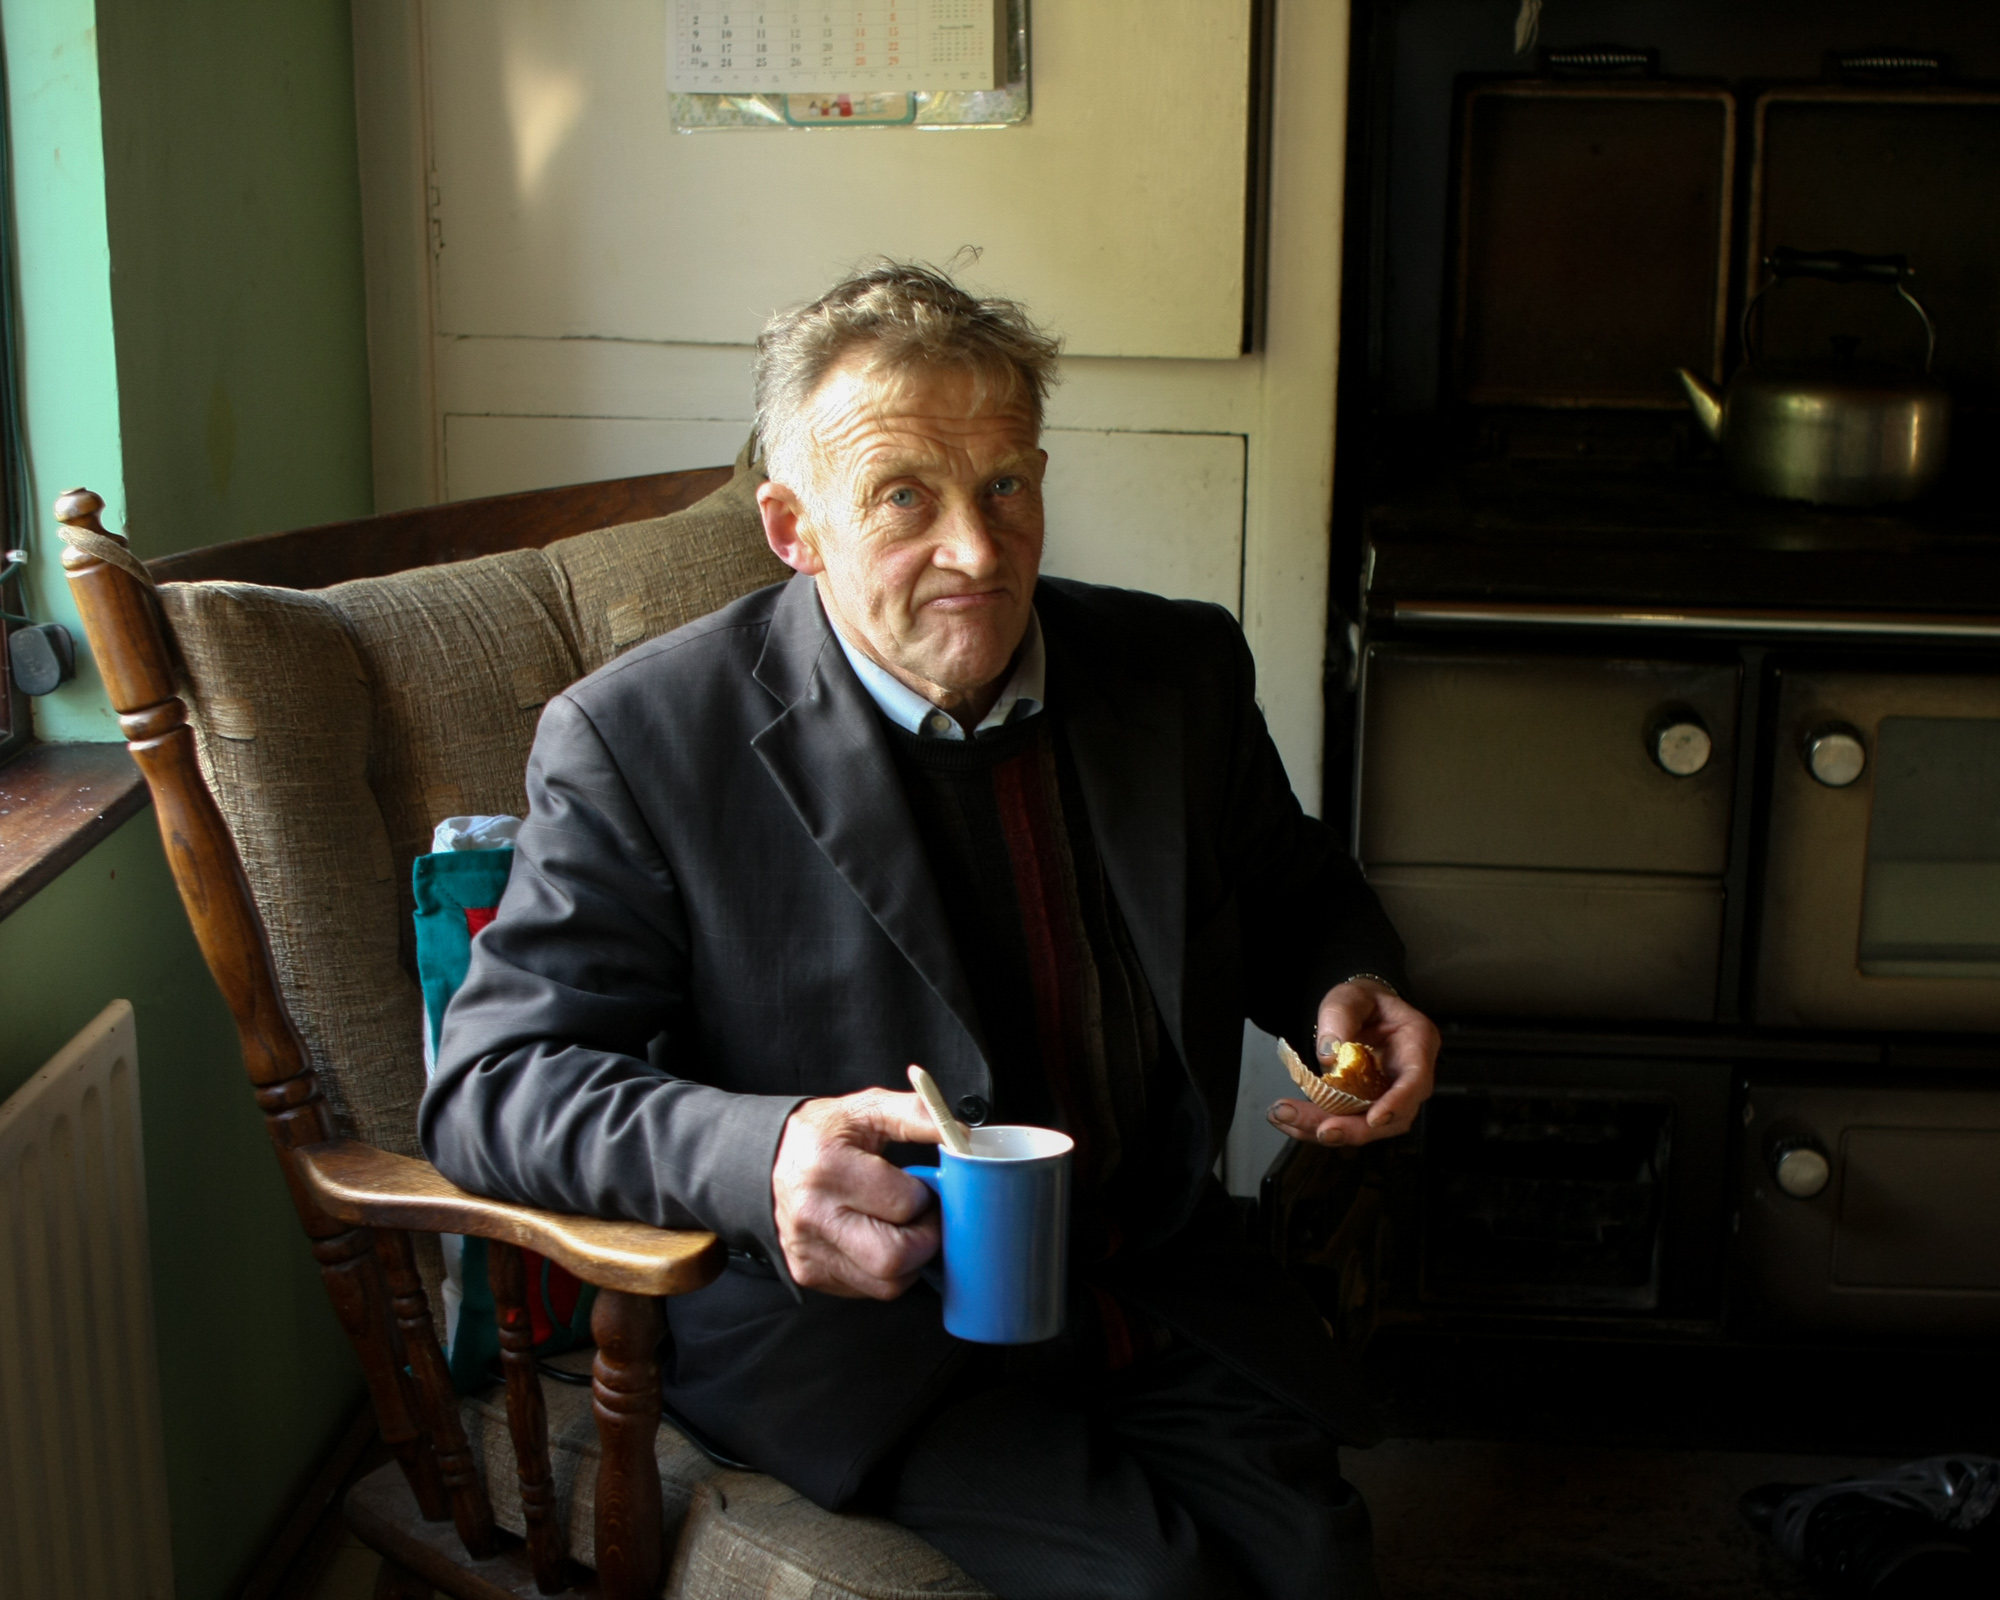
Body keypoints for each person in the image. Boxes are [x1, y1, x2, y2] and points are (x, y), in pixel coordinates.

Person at [422, 261, 1440, 1600]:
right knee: (1147, 1586)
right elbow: (495, 1087)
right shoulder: (641, 739)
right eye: (903, 496)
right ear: (793, 528)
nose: (977, 548)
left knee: (1318, 1566)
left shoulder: (1176, 671)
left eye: (1005, 485)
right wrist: (763, 1153)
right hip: (867, 1338)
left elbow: (1293, 890)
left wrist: (1351, 984)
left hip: (1149, 1279)